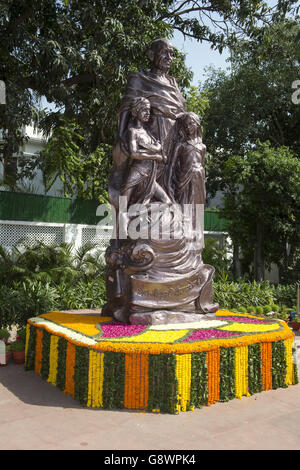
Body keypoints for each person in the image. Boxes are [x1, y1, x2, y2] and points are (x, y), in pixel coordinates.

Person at [121, 97, 171, 205]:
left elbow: (154, 149)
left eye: (149, 110)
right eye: (144, 110)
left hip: (150, 175)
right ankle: (130, 217)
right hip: (138, 173)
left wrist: (158, 149)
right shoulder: (133, 131)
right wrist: (155, 156)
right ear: (135, 111)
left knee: (167, 202)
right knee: (122, 205)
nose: (148, 113)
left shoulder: (148, 133)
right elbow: (134, 153)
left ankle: (137, 213)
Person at [170, 112, 206, 207]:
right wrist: (169, 184)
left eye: (191, 124)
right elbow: (172, 166)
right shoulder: (180, 145)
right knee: (185, 205)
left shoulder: (202, 147)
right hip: (184, 179)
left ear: (197, 124)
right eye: (186, 125)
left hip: (198, 177)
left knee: (198, 204)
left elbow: (202, 164)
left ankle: (197, 222)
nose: (188, 127)